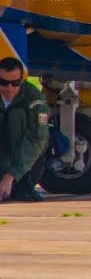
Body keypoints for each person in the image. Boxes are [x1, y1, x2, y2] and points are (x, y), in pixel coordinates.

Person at [0, 57, 49, 203]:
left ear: (22, 81)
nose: (9, 88)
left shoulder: (34, 99)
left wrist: (11, 175)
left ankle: (22, 184)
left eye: (15, 83)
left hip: (27, 164)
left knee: (17, 116)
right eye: (3, 83)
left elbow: (36, 139)